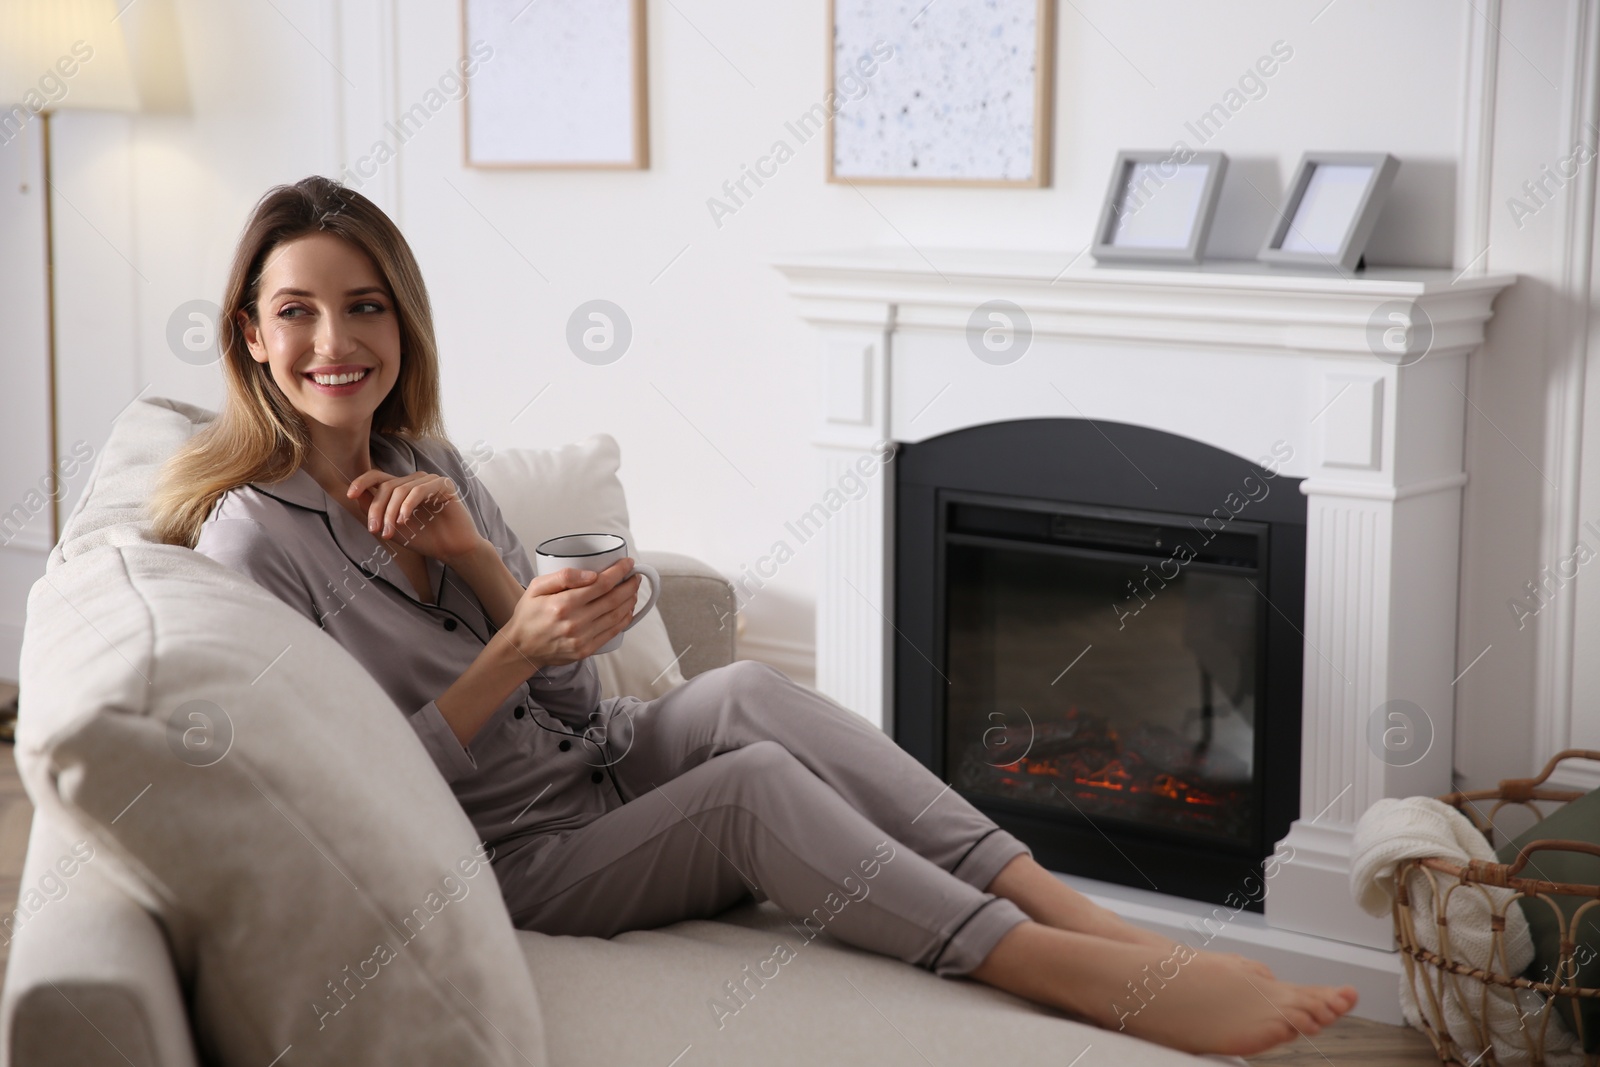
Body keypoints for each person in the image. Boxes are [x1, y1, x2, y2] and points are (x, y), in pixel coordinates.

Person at [151, 176, 1355, 1057]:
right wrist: (509, 644)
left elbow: (574, 701)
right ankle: (1057, 968)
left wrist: (480, 566)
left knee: (744, 695)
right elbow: (350, 788)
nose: (333, 340)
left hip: (586, 770)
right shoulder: (255, 538)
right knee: (749, 788)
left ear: (399, 325)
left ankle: (1071, 908)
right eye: (296, 311)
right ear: (250, 337)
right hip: (506, 854)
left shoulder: (434, 469)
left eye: (362, 306)